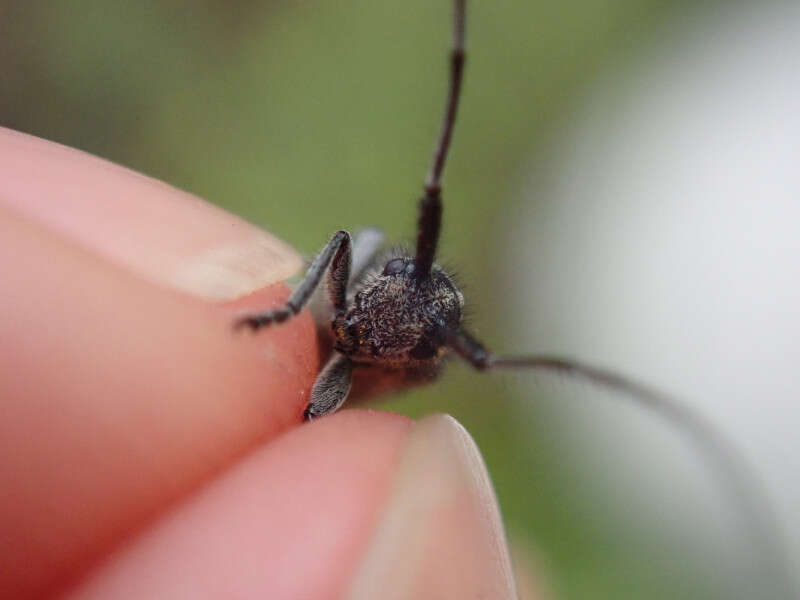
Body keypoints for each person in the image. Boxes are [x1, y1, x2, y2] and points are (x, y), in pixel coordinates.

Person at [0, 127, 526, 599]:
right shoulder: (375, 288)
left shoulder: (406, 360)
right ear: (392, 273)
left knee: (311, 427)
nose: (365, 324)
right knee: (351, 241)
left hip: (334, 401)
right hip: (291, 357)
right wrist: (291, 309)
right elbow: (352, 248)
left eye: (409, 342)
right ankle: (290, 309)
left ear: (412, 358)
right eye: (390, 287)